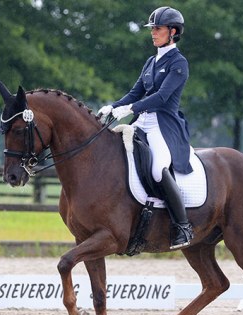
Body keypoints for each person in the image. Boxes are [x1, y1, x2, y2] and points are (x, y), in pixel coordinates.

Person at [98, 6, 193, 250]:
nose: (153, 33)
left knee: (159, 169)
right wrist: (113, 106)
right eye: (152, 29)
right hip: (141, 122)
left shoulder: (178, 63)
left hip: (163, 125)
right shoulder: (151, 62)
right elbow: (135, 92)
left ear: (173, 32)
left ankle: (183, 226)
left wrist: (130, 109)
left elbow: (161, 97)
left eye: (157, 29)